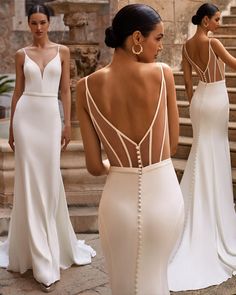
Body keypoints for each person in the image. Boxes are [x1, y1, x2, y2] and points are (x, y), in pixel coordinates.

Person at [77, 4, 184, 295]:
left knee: (124, 285)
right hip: (163, 195)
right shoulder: (162, 75)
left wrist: (120, 168)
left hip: (117, 204)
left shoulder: (85, 88)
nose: (160, 47)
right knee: (155, 280)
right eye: (158, 38)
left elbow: (95, 167)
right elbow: (172, 145)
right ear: (137, 37)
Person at [0, 4, 95, 293]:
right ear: (28, 24)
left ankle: (51, 242)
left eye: (43, 22)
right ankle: (39, 258)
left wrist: (67, 123)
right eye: (34, 23)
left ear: (50, 23)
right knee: (29, 180)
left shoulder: (62, 51)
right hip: (27, 117)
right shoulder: (21, 55)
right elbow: (17, 92)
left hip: (50, 118)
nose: (39, 27)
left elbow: (66, 90)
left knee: (50, 179)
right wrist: (14, 126)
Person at [168, 3, 236, 291]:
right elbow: (234, 65)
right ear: (205, 20)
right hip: (217, 97)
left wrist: (194, 99)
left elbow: (185, 80)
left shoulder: (186, 45)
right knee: (214, 151)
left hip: (199, 101)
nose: (219, 23)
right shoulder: (213, 42)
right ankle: (214, 211)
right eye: (216, 19)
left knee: (202, 151)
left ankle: (200, 207)